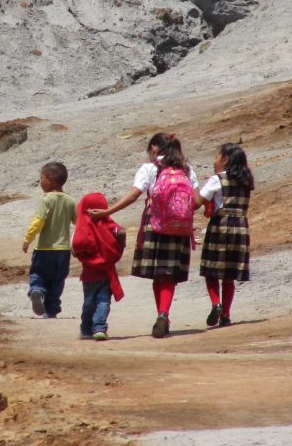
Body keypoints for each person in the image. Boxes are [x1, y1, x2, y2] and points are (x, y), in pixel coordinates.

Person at [89, 133, 198, 338]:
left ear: (154, 148)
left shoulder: (150, 168)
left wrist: (107, 212)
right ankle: (163, 314)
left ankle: (162, 316)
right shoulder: (187, 169)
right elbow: (197, 200)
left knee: (158, 272)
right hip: (179, 227)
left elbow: (134, 194)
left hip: (154, 223)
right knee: (168, 273)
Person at [195, 143, 254, 328]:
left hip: (220, 225)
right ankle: (226, 315)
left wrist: (194, 185)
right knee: (229, 273)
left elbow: (197, 201)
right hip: (241, 227)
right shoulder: (246, 180)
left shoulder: (217, 180)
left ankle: (216, 304)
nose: (214, 161)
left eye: (216, 157)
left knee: (210, 270)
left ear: (225, 160)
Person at [23, 161, 77, 318]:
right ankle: (51, 311)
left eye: (42, 178)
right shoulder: (70, 200)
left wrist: (28, 239)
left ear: (50, 179)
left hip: (44, 249)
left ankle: (37, 291)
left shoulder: (45, 200)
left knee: (38, 274)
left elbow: (38, 222)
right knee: (57, 280)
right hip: (63, 251)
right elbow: (78, 223)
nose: (40, 181)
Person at [72, 192, 126, 341]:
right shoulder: (108, 222)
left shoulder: (83, 227)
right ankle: (100, 328)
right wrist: (119, 247)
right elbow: (121, 232)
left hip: (89, 275)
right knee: (103, 301)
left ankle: (86, 329)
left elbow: (76, 247)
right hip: (107, 274)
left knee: (88, 302)